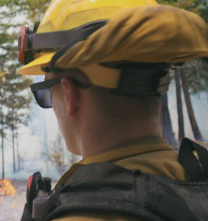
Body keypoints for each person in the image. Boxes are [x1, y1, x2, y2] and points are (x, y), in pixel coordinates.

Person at [17, 0, 208, 220]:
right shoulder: (196, 181)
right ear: (161, 83)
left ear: (70, 94)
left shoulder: (83, 213)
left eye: (48, 93)